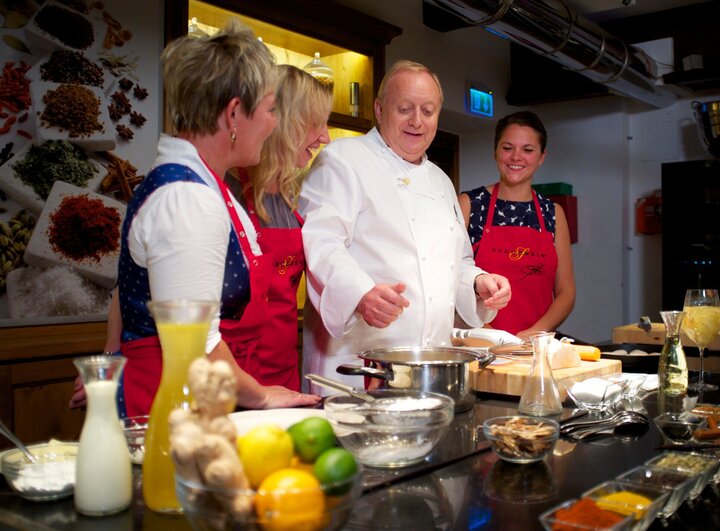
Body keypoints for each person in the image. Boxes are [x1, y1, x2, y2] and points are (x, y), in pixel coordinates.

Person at [69, 20, 319, 416]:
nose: (273, 124)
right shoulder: (188, 199)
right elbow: (197, 344)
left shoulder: (201, 183)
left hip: (202, 396)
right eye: (270, 110)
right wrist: (261, 396)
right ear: (234, 114)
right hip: (169, 409)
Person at [299, 60, 512, 393]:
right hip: (358, 367)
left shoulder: (441, 181)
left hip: (427, 367)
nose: (417, 121)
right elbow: (321, 242)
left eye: (428, 111)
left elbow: (457, 262)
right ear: (380, 110)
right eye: (405, 109)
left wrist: (478, 283)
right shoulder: (344, 159)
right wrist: (359, 294)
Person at [224, 64, 332, 390]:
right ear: (283, 121)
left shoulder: (292, 197)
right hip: (230, 377)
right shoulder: (228, 190)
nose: (325, 137)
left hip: (283, 372)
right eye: (316, 124)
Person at [458, 111, 575, 339]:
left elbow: (566, 291)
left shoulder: (553, 214)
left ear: (541, 157)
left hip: (533, 347)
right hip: (479, 345)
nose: (516, 157)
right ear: (495, 152)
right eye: (507, 147)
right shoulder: (469, 205)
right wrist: (494, 338)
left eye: (528, 150)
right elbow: (448, 280)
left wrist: (533, 334)